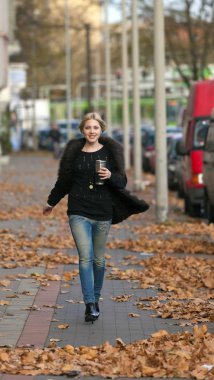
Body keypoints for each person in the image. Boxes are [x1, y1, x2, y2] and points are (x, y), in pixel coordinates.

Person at [43, 112, 148, 323]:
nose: (92, 131)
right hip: (78, 210)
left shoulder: (110, 152)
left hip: (102, 211)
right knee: (85, 257)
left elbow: (122, 181)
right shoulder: (74, 153)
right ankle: (89, 303)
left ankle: (96, 298)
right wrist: (51, 202)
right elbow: (64, 180)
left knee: (99, 259)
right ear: (83, 130)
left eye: (96, 128)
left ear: (101, 130)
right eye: (88, 128)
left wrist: (110, 176)